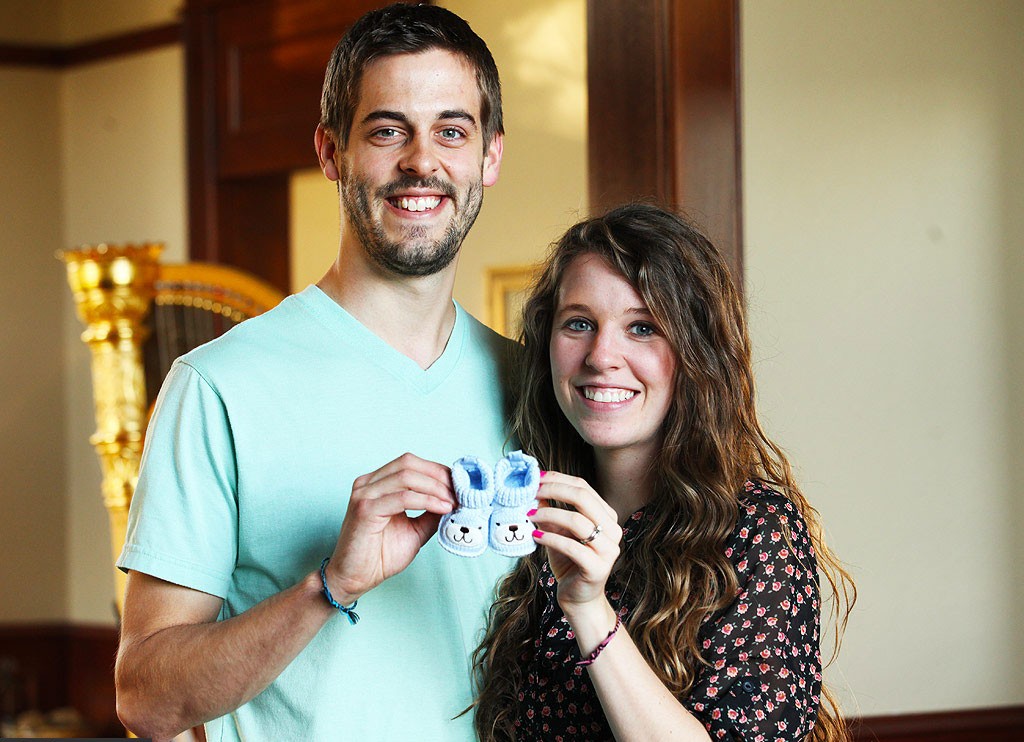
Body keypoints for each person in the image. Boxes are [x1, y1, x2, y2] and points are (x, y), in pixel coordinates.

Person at [114, 5, 514, 740]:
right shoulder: (217, 387)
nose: (422, 161)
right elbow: (146, 697)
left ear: (489, 156)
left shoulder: (531, 384)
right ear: (331, 152)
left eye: (451, 131)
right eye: (387, 130)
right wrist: (332, 584)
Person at [472, 203, 856, 741]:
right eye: (579, 323)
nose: (602, 355)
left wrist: (588, 606)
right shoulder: (531, 516)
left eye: (643, 327)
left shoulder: (754, 531)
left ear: (696, 353)